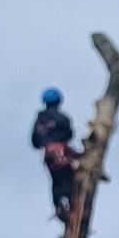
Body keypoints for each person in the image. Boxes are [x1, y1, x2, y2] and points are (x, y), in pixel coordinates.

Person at [31, 87, 80, 221]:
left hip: (49, 155)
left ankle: (59, 205)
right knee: (70, 177)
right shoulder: (62, 118)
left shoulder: (39, 120)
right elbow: (69, 134)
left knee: (56, 181)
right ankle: (70, 203)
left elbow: (34, 141)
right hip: (62, 152)